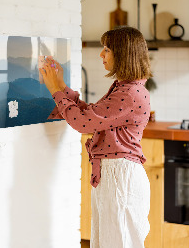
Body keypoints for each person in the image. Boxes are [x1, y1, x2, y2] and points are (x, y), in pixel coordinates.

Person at [40, 26, 152, 248]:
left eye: (107, 49)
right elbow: (91, 115)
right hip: (115, 175)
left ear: (123, 54)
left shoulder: (129, 93)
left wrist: (55, 90)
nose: (101, 54)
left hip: (120, 177)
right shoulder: (125, 88)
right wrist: (61, 85)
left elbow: (83, 123)